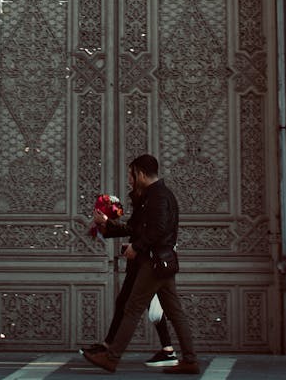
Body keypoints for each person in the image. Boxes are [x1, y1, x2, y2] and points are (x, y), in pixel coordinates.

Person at [81, 154, 199, 375]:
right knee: (175, 312)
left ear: (141, 174)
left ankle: (111, 357)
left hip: (154, 262)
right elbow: (136, 227)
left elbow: (159, 229)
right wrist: (107, 224)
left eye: (131, 174)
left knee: (133, 308)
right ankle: (190, 360)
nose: (129, 179)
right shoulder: (153, 196)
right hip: (163, 262)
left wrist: (138, 246)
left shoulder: (158, 197)